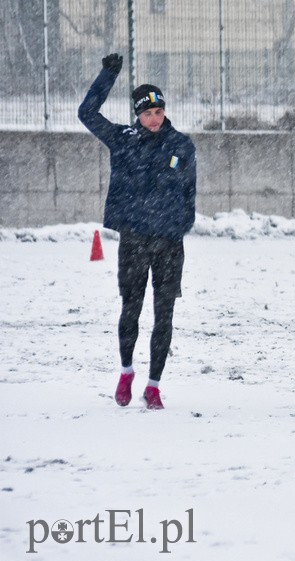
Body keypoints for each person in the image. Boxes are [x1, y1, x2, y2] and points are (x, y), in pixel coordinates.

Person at [78, 54, 196, 410]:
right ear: (137, 115)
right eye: (147, 113)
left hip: (169, 244)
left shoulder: (181, 144)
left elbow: (189, 190)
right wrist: (108, 75)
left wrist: (180, 226)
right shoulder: (122, 139)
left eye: (158, 112)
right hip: (134, 240)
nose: (154, 118)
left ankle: (154, 384)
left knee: (165, 314)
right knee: (131, 308)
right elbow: (87, 114)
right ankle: (127, 372)